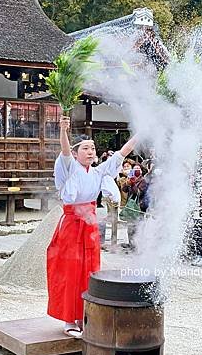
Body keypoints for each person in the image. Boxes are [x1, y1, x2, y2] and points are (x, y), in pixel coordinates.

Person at [46, 115, 137, 338]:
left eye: (92, 147)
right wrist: (63, 131)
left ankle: (83, 316)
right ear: (77, 153)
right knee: (70, 271)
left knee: (90, 270)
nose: (90, 151)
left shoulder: (98, 171)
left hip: (90, 225)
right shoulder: (69, 168)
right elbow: (65, 152)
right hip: (71, 225)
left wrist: (141, 132)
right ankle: (69, 320)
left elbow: (122, 153)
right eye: (85, 148)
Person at [121, 164, 148, 251]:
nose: (136, 170)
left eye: (138, 168)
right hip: (130, 205)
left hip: (139, 206)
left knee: (138, 225)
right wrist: (127, 182)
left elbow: (139, 193)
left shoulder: (143, 181)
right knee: (130, 225)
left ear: (141, 170)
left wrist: (133, 185)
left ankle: (138, 245)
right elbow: (124, 190)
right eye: (135, 168)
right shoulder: (130, 178)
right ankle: (131, 243)